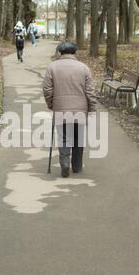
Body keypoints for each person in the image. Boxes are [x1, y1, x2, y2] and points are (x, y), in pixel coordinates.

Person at [43, 42, 97, 178]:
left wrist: (51, 104)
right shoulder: (84, 68)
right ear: (75, 52)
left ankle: (65, 162)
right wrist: (92, 108)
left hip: (61, 108)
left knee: (64, 137)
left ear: (60, 52)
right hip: (80, 109)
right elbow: (90, 91)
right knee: (78, 138)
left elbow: (47, 89)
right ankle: (77, 167)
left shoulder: (52, 67)